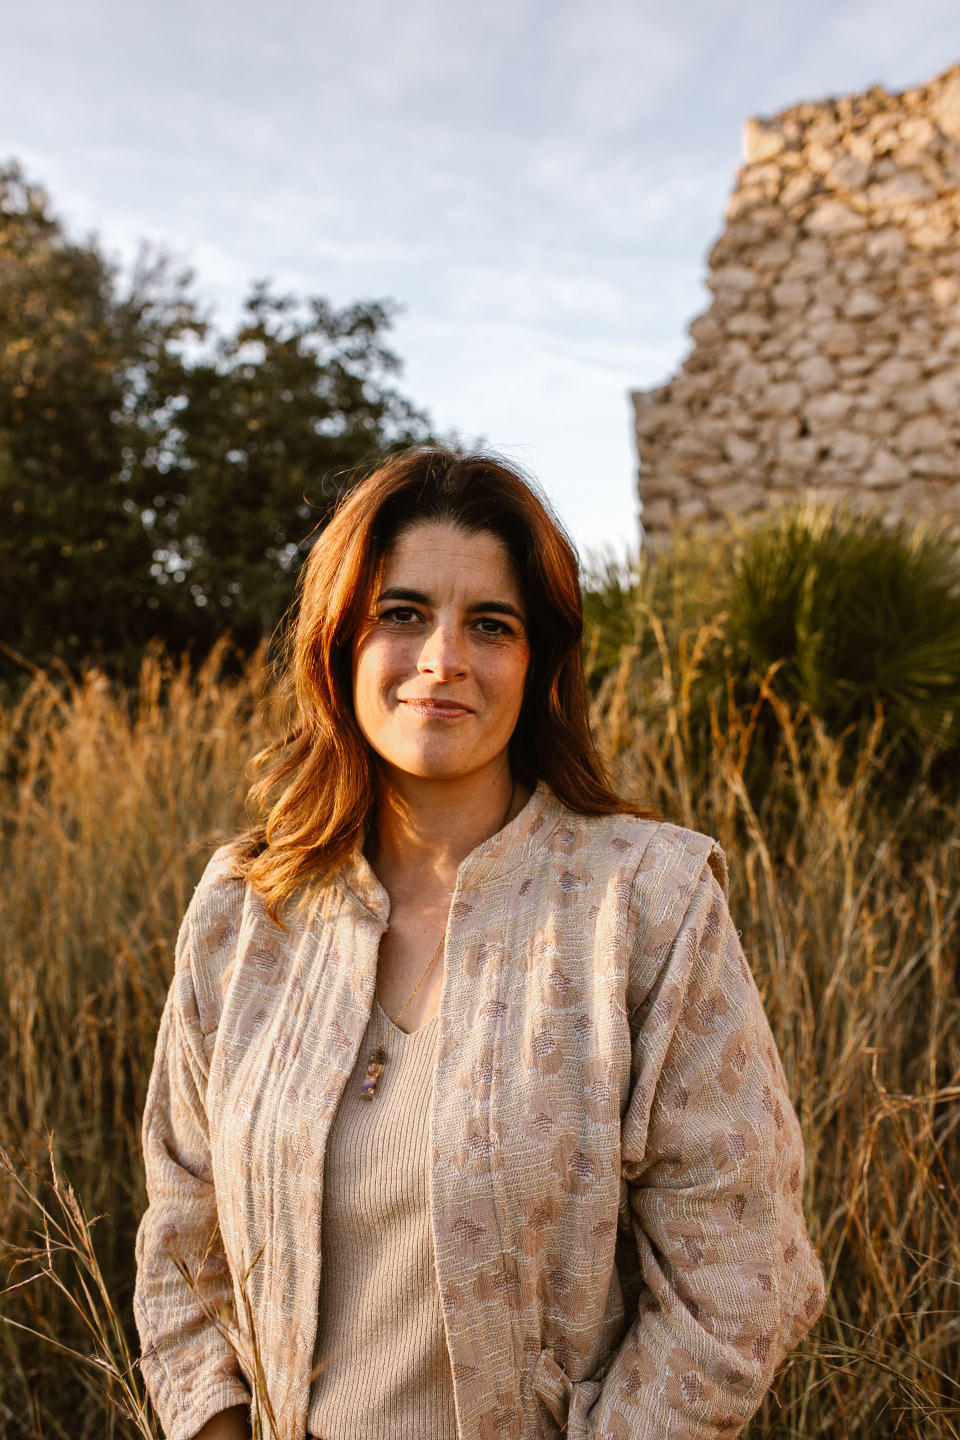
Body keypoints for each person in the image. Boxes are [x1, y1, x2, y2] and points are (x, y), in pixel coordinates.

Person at [134, 445, 824, 1440]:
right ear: (340, 640)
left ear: (537, 663)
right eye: (402, 613)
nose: (443, 659)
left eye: (491, 625)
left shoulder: (646, 903)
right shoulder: (248, 909)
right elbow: (181, 1238)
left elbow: (740, 1279)